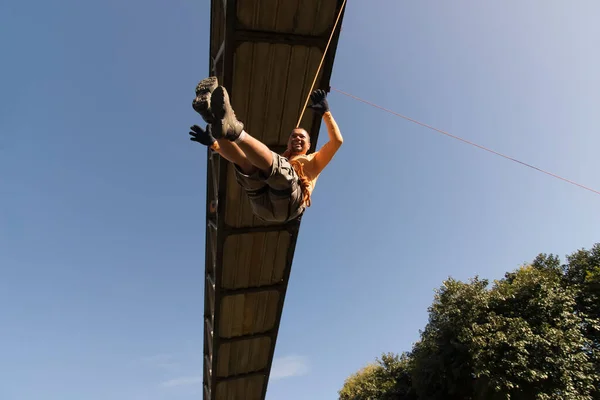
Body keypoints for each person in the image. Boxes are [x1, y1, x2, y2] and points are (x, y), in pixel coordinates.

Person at [188, 76, 343, 223]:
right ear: (288, 143)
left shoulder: (314, 160)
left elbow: (337, 141)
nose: (297, 138)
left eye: (302, 137)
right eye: (293, 137)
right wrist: (214, 144)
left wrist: (325, 112)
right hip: (263, 205)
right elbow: (241, 159)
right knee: (248, 164)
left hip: (289, 205)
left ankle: (234, 130)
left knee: (278, 168)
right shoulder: (280, 159)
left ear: (309, 145)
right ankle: (212, 119)